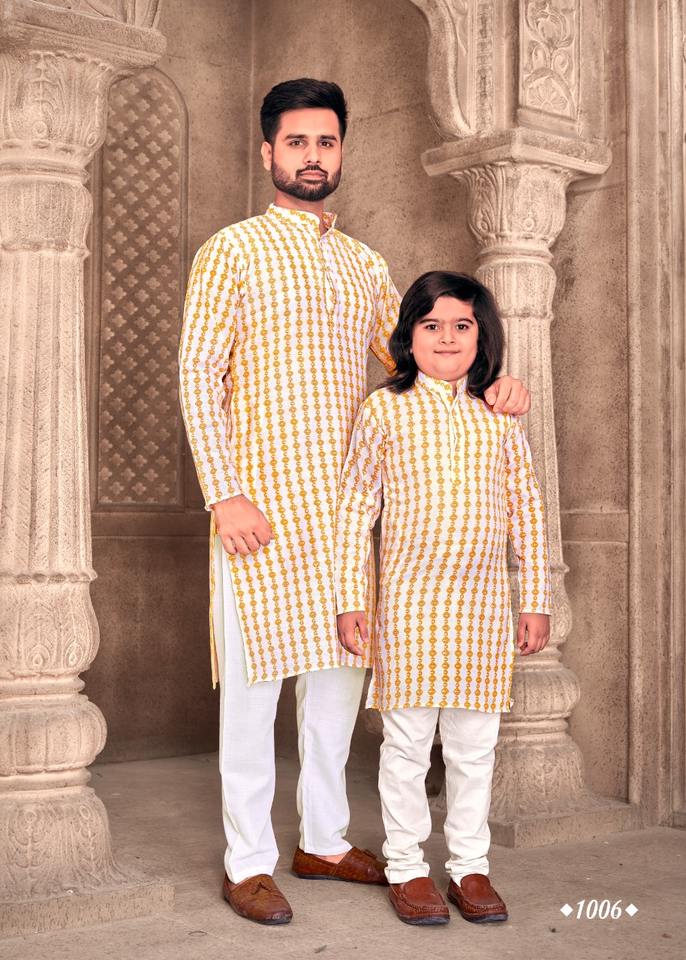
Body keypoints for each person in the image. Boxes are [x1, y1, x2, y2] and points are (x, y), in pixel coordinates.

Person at [179, 79, 531, 926]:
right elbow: (197, 374)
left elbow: (414, 359)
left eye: (327, 142)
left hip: (344, 516)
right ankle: (247, 861)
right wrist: (225, 495)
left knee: (336, 689)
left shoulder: (365, 264)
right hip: (259, 510)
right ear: (268, 152)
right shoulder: (232, 250)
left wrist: (492, 384)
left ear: (341, 152)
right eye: (297, 142)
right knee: (255, 693)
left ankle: (325, 840)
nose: (313, 157)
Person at [336, 270, 551, 926]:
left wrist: (535, 599)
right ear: (409, 336)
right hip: (408, 605)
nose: (448, 337)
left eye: (462, 325)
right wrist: (351, 598)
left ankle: (469, 866)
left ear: (482, 336)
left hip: (482, 610)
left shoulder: (498, 416)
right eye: (432, 325)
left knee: (473, 747)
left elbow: (526, 510)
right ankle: (406, 866)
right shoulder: (384, 410)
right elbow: (356, 509)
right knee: (405, 745)